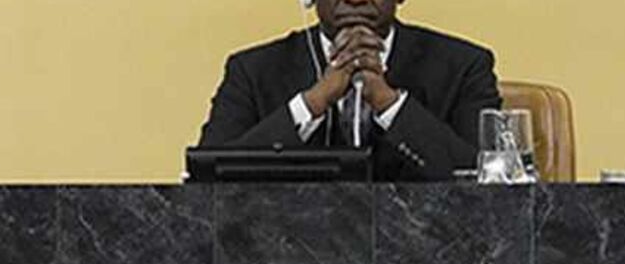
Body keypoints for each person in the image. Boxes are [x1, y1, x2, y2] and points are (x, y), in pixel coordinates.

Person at [196, 0, 501, 181]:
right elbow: (208, 176)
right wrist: (312, 102)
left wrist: (389, 104)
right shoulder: (253, 70)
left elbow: (486, 183)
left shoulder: (463, 66)